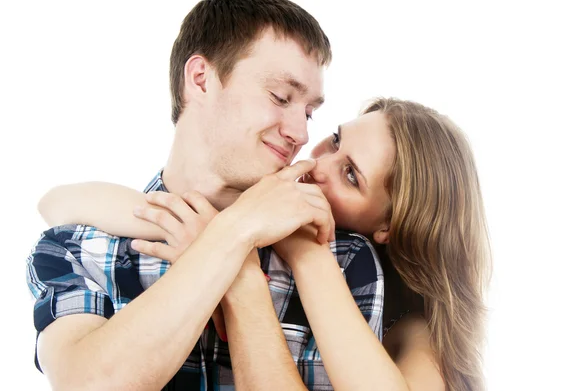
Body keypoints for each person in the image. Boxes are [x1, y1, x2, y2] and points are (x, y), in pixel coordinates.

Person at [39, 98, 492, 391]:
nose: (317, 165)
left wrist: (301, 253)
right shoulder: (264, 223)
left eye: (350, 174)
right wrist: (229, 230)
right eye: (334, 140)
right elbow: (58, 204)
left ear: (390, 226)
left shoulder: (416, 330)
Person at [25, 0, 356, 390]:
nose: (300, 134)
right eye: (280, 97)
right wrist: (234, 231)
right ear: (200, 79)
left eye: (308, 112)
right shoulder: (76, 246)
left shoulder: (340, 258)